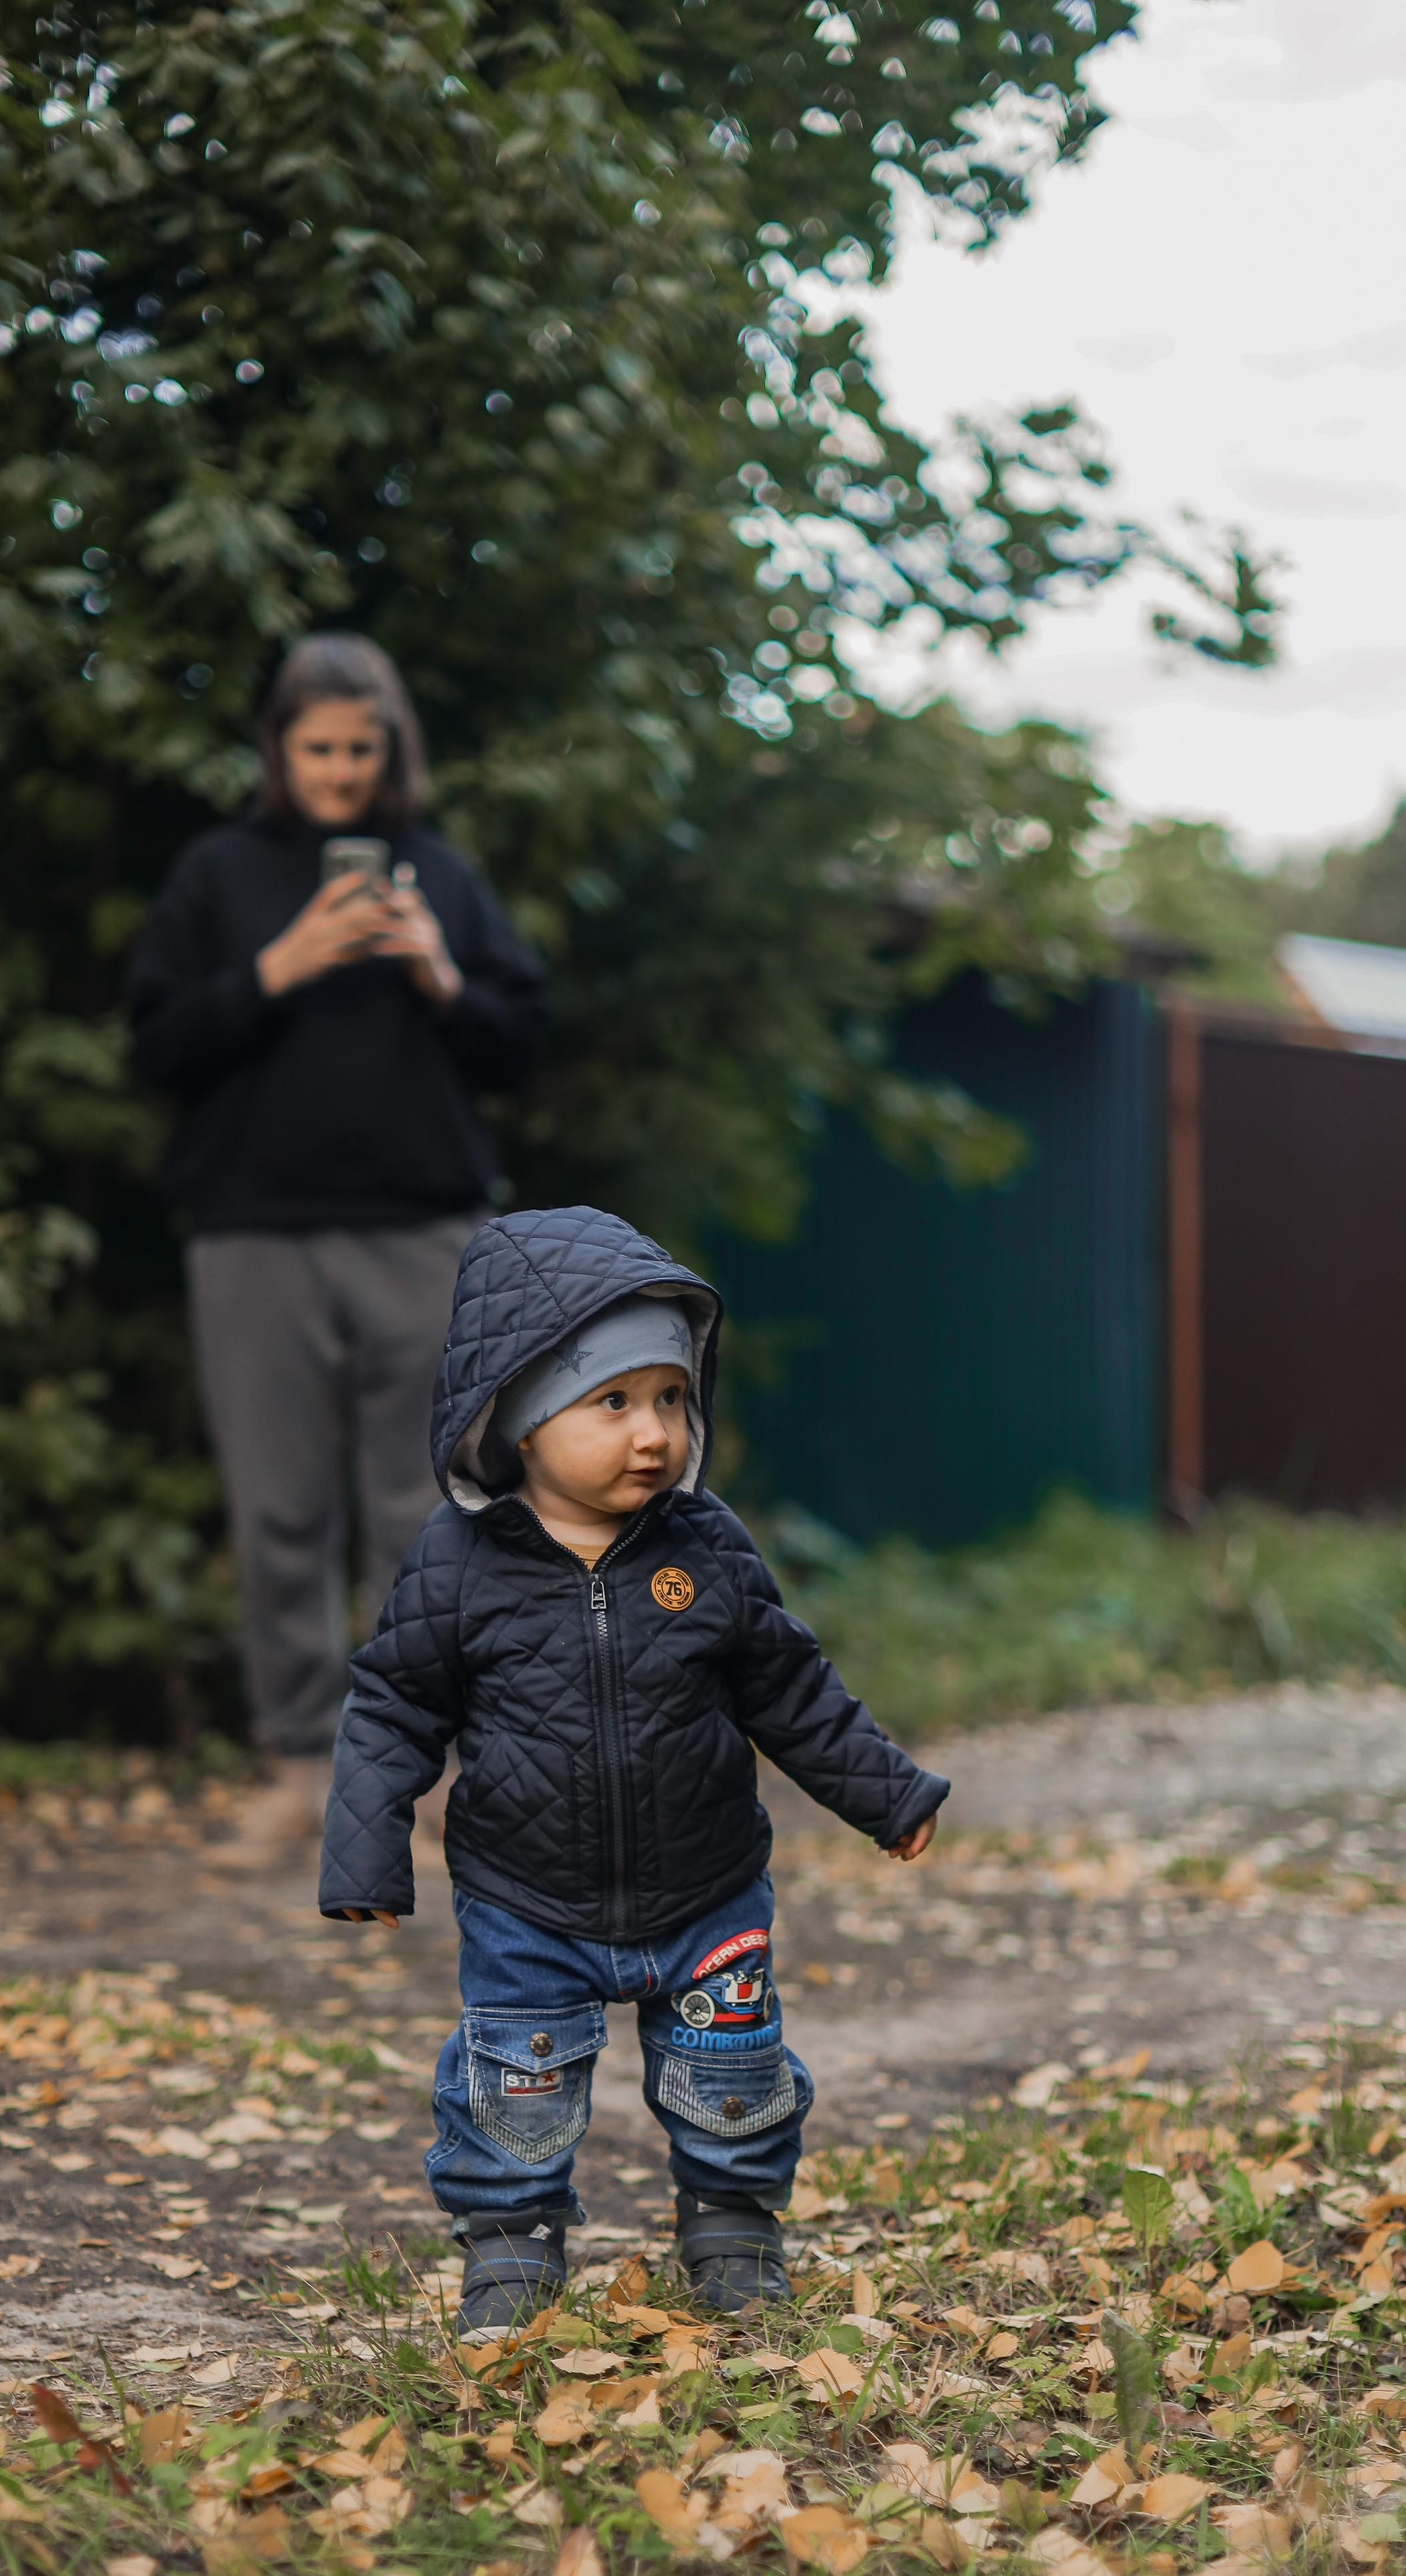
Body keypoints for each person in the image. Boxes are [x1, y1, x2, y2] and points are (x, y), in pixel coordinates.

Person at [318, 1203, 949, 2330]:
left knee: (735, 2075)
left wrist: (887, 1794)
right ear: (516, 1415)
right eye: (611, 1402)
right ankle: (510, 2247)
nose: (651, 1432)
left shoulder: (706, 1547)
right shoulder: (458, 1565)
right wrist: (366, 1849)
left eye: (668, 1397)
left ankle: (733, 2230)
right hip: (525, 1897)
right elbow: (393, 1703)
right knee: (517, 2080)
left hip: (706, 1886)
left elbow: (790, 1688)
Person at [128, 636, 548, 1852]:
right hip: (254, 1236)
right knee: (279, 1511)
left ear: (393, 748)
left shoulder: (442, 878)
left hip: (425, 1232)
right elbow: (155, 1044)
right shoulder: (217, 876)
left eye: (362, 749)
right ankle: (299, 1766)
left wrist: (439, 974)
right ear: (279, 750)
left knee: (429, 1510)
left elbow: (519, 1045)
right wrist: (278, 967)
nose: (340, 772)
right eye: (318, 749)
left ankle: (411, 1779)